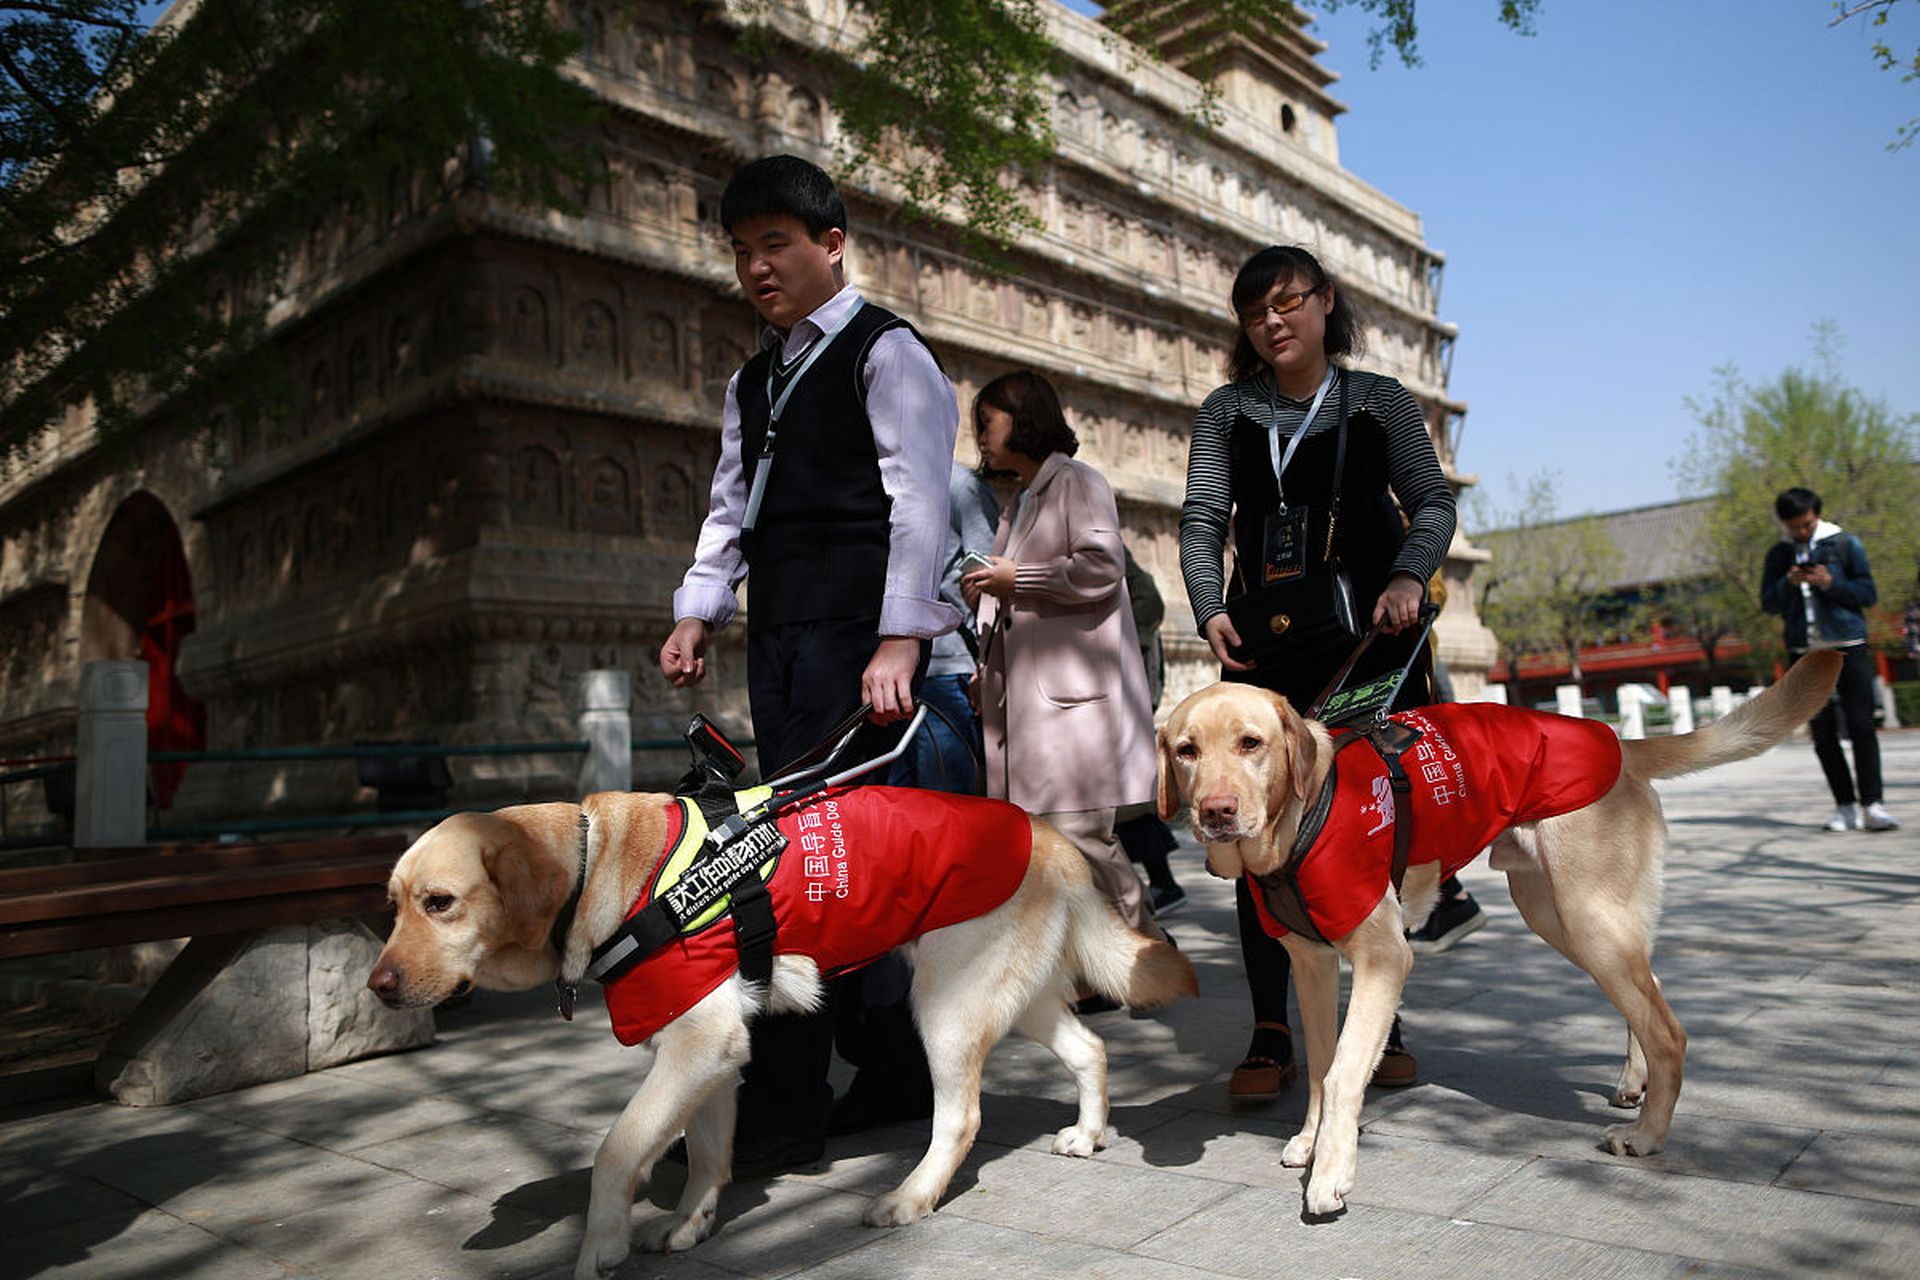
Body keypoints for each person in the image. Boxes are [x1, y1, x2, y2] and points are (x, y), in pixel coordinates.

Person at [657, 154, 960, 1174]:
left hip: (855, 641)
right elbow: (729, 504)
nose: (757, 267)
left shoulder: (891, 352)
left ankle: (782, 1111)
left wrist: (901, 637)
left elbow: (919, 501)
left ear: (832, 244)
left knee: (794, 870)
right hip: (780, 638)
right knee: (827, 861)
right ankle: (895, 1068)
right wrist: (701, 611)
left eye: (776, 243)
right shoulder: (755, 377)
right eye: (741, 250)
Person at [1178, 244, 1459, 1097]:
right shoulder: (1228, 411)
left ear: (1325, 302)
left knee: (1371, 826)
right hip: (1264, 650)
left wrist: (1410, 575)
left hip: (1371, 640)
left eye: (1289, 302)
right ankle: (1272, 1025)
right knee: (1253, 829)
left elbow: (1433, 500)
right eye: (1256, 310)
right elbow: (1201, 520)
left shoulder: (1379, 402)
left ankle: (1384, 1011)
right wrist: (1208, 607)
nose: (1274, 321)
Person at [963, 370, 1166, 981]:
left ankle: (1144, 955)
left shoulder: (1077, 482)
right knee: (1049, 845)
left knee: (1083, 838)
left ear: (1023, 419)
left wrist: (1013, 579)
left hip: (1071, 710)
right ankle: (1098, 966)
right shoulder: (1024, 498)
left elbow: (1101, 568)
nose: (980, 436)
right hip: (1034, 705)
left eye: (987, 422)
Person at [1759, 487, 1897, 832]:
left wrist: (1831, 582)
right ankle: (1845, 806)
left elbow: (1867, 594)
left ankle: (1873, 804)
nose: (1801, 532)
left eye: (1806, 524)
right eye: (1794, 527)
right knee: (1821, 733)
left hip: (1848, 643)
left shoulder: (1845, 544)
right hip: (1804, 650)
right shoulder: (1779, 553)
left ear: (1816, 515)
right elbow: (1768, 603)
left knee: (1862, 724)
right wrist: (1788, 583)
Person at [889, 461, 999, 794]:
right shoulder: (878, 477)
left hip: (946, 671)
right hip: (885, 675)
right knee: (896, 811)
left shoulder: (959, 484)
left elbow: (987, 576)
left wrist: (986, 662)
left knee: (944, 809)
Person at [1118, 544, 1187, 916]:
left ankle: (1163, 883)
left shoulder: (1111, 551)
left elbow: (1150, 603)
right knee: (1122, 804)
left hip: (1124, 691)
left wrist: (1120, 649)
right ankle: (1157, 884)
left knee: (1130, 801)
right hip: (1116, 693)